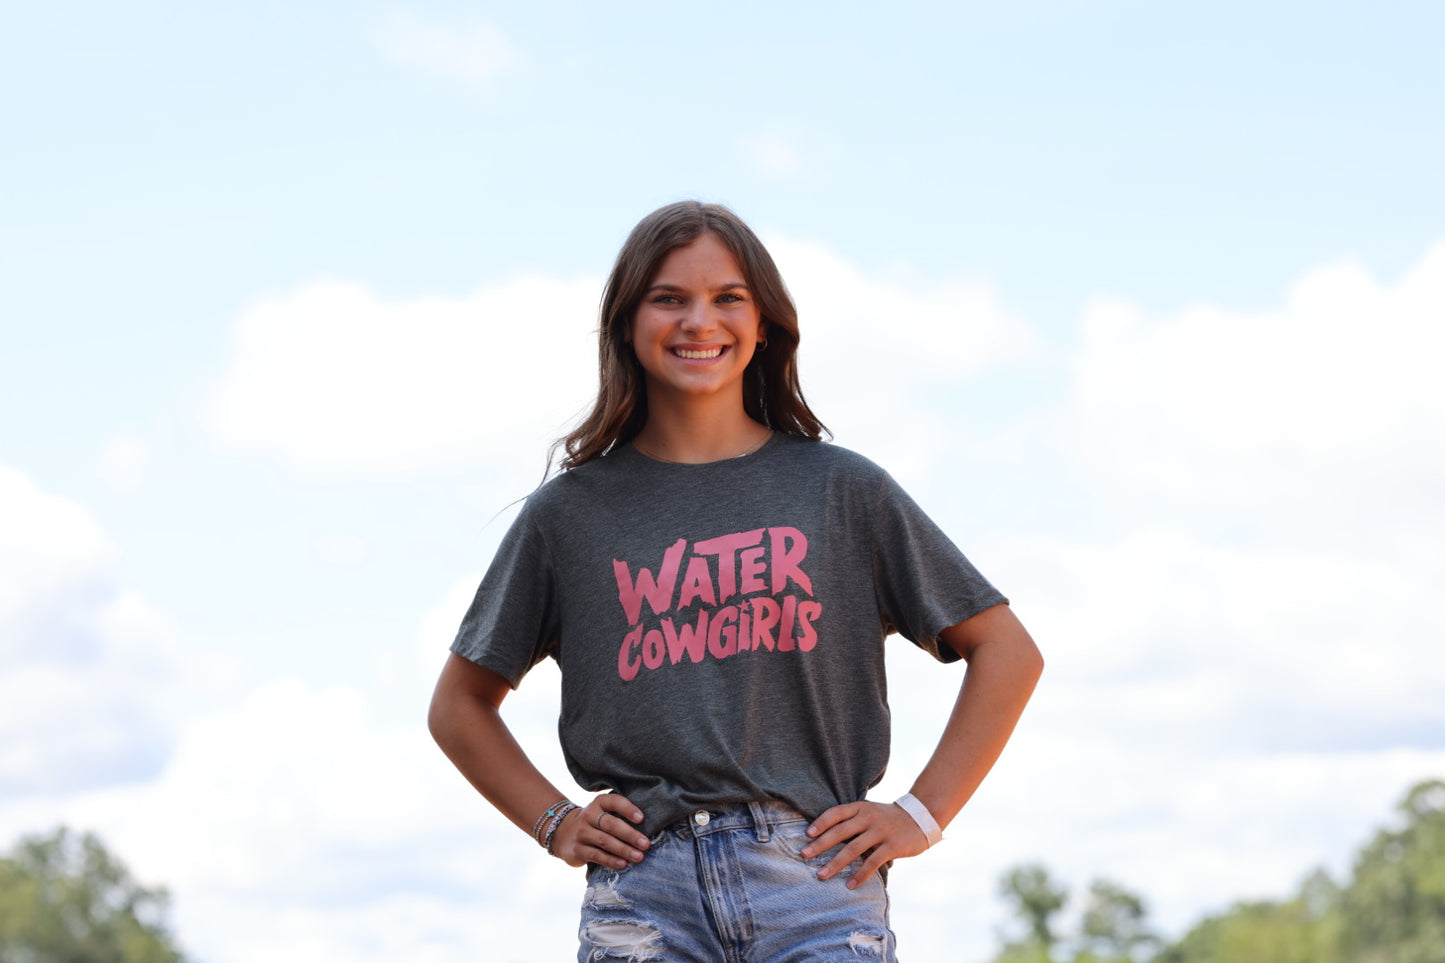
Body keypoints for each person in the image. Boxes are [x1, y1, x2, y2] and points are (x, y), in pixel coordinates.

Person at [428, 200, 1043, 962]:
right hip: (644, 886)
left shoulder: (840, 491)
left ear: (763, 325)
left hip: (815, 878)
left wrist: (921, 812)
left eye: (727, 298)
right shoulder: (568, 516)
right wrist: (554, 821)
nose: (697, 321)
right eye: (668, 298)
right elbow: (458, 704)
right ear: (625, 321)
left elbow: (1008, 650)